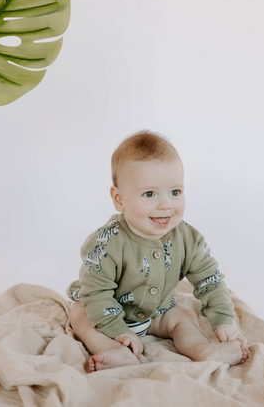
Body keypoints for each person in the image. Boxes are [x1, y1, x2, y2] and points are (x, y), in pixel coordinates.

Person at [67, 130, 248, 372]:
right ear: (119, 199)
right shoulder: (107, 243)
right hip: (105, 312)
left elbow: (210, 279)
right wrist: (117, 330)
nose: (166, 205)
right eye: (150, 194)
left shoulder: (187, 238)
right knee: (80, 314)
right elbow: (96, 293)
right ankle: (112, 349)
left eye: (175, 192)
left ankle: (202, 349)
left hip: (156, 312)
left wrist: (223, 320)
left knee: (184, 316)